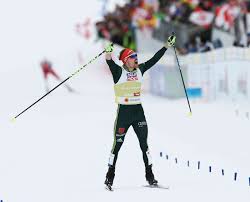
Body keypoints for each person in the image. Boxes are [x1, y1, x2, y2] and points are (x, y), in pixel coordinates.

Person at [104, 35, 176, 190]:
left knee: (144, 145)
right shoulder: (118, 72)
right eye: (132, 57)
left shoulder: (140, 69)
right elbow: (109, 60)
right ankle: (109, 178)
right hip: (123, 114)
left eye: (136, 56)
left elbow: (154, 59)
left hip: (138, 113)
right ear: (125, 60)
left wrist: (167, 45)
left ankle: (151, 178)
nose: (135, 59)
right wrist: (108, 50)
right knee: (117, 146)